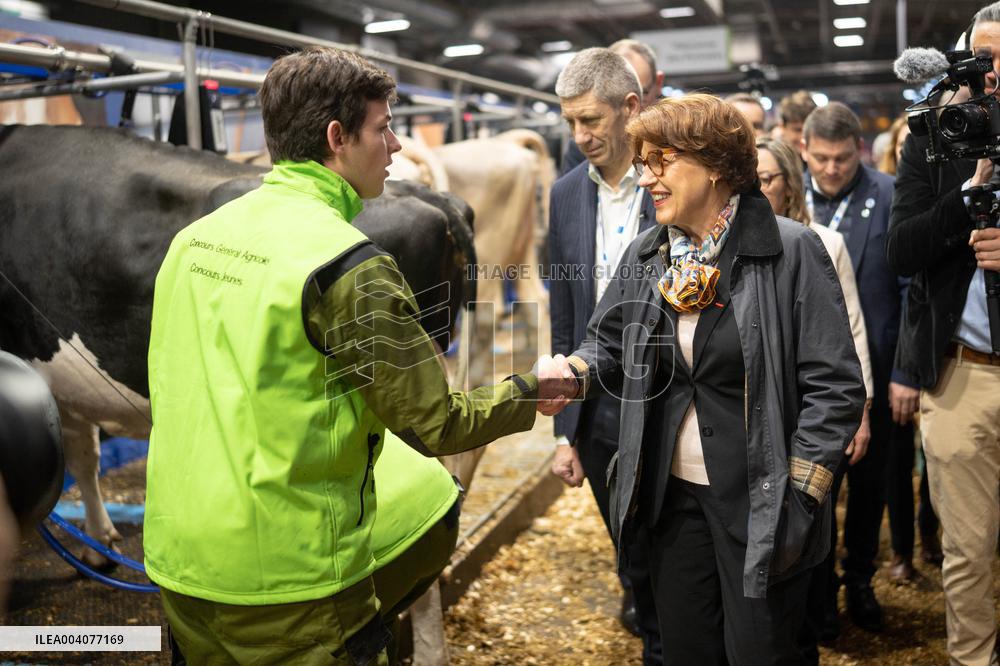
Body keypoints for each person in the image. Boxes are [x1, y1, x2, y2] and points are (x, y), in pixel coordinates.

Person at [143, 46, 571, 664]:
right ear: (337, 137)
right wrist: (536, 388)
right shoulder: (348, 265)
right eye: (384, 127)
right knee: (429, 495)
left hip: (177, 561)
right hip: (289, 584)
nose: (397, 145)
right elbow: (438, 423)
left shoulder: (191, 241)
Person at [542, 93, 865, 664]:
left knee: (761, 653)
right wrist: (575, 372)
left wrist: (802, 493)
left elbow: (835, 387)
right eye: (643, 163)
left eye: (660, 161)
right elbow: (609, 339)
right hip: (670, 500)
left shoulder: (790, 249)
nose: (646, 179)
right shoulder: (650, 253)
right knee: (687, 650)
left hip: (762, 501)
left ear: (715, 164)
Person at [888, 5, 1000, 663]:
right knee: (967, 550)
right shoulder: (934, 131)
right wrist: (967, 196)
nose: (992, 72)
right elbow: (901, 250)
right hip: (959, 374)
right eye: (983, 57)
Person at [547, 47, 661, 662]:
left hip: (671, 399)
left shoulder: (672, 180)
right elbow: (564, 312)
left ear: (631, 108)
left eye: (590, 120)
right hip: (599, 407)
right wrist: (566, 429)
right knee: (628, 542)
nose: (580, 135)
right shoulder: (565, 194)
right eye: (570, 122)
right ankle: (646, 615)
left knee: (671, 542)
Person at [799, 101, 915, 636]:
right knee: (816, 486)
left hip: (879, 365)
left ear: (859, 152)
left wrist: (904, 373)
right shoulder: (789, 198)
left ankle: (861, 579)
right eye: (820, 158)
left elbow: (909, 289)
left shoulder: (889, 196)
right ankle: (817, 589)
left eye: (841, 159)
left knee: (871, 484)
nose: (830, 169)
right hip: (809, 376)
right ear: (805, 150)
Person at [560, 39, 663, 175]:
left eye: (643, 94)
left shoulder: (678, 138)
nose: (631, 113)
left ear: (659, 82)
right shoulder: (581, 149)